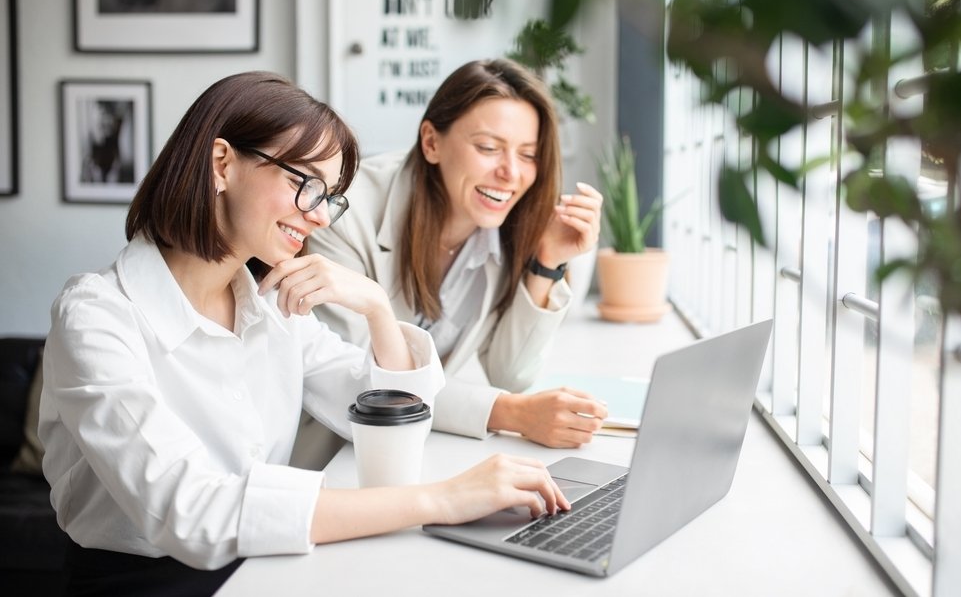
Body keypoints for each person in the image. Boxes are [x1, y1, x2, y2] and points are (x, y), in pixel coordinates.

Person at [39, 71, 569, 596]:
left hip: (269, 563)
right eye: (304, 184)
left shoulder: (271, 307)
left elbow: (394, 412)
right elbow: (192, 512)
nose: (319, 216)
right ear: (221, 164)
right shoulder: (98, 316)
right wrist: (444, 499)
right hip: (144, 584)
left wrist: (377, 307)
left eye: (330, 196)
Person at [302, 58, 607, 463]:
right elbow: (366, 384)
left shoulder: (508, 225)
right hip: (335, 458)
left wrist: (546, 263)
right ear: (431, 142)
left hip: (421, 450)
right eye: (488, 148)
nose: (510, 173)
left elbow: (509, 374)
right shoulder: (344, 214)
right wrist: (512, 414)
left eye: (528, 155)